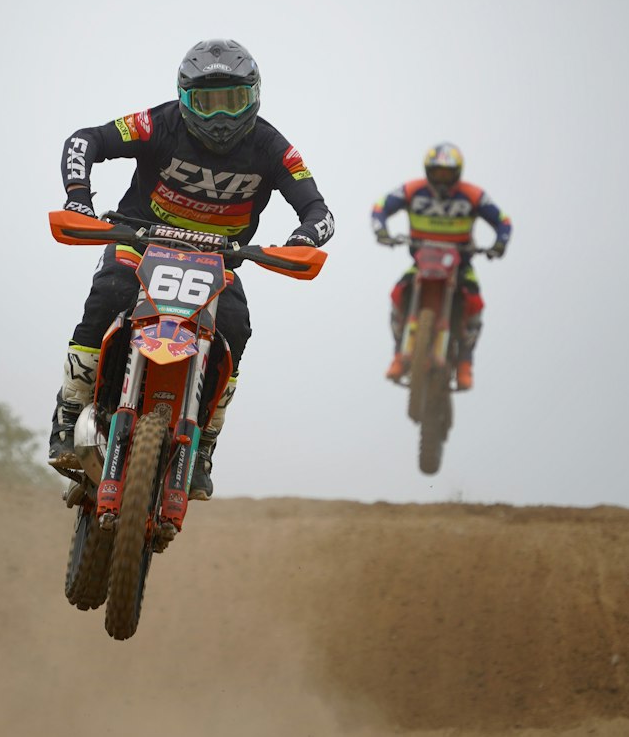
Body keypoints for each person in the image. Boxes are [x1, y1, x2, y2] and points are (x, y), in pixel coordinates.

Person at [49, 38, 334, 498]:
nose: (220, 116)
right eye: (206, 102)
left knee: (235, 329)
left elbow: (318, 210)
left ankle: (203, 447)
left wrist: (303, 238)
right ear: (184, 99)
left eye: (233, 101)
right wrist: (78, 197)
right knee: (109, 295)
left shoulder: (273, 147)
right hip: (139, 240)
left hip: (218, 258)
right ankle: (68, 414)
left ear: (254, 96)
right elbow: (86, 140)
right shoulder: (156, 123)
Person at [370, 143, 512, 390]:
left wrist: (499, 244)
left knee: (475, 301)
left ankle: (466, 364)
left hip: (460, 266)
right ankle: (398, 355)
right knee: (397, 293)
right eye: (437, 173)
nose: (442, 179)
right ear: (428, 171)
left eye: (448, 173)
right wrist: (382, 232)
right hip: (422, 262)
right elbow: (380, 206)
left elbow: (503, 221)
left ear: (458, 172)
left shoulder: (473, 195)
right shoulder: (413, 190)